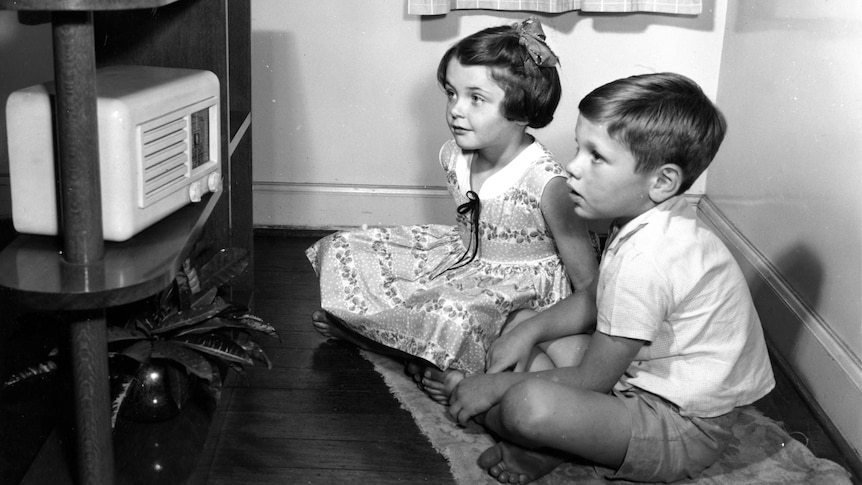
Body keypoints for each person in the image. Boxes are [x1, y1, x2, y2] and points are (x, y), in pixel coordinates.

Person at [444, 72, 776, 484]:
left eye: (596, 157)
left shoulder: (649, 258)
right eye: (579, 149)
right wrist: (527, 333)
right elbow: (597, 299)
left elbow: (593, 379)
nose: (573, 167)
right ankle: (561, 441)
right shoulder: (647, 219)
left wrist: (490, 389)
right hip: (638, 377)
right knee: (522, 322)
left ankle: (542, 438)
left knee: (525, 405)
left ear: (662, 182)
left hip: (681, 426)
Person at [306, 18, 598, 403]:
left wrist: (561, 334)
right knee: (348, 247)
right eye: (451, 93)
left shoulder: (548, 184)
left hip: (517, 293)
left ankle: (418, 355)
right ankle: (402, 347)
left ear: (522, 108)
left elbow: (591, 286)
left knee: (448, 310)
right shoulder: (453, 154)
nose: (456, 110)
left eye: (476, 98)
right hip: (460, 259)